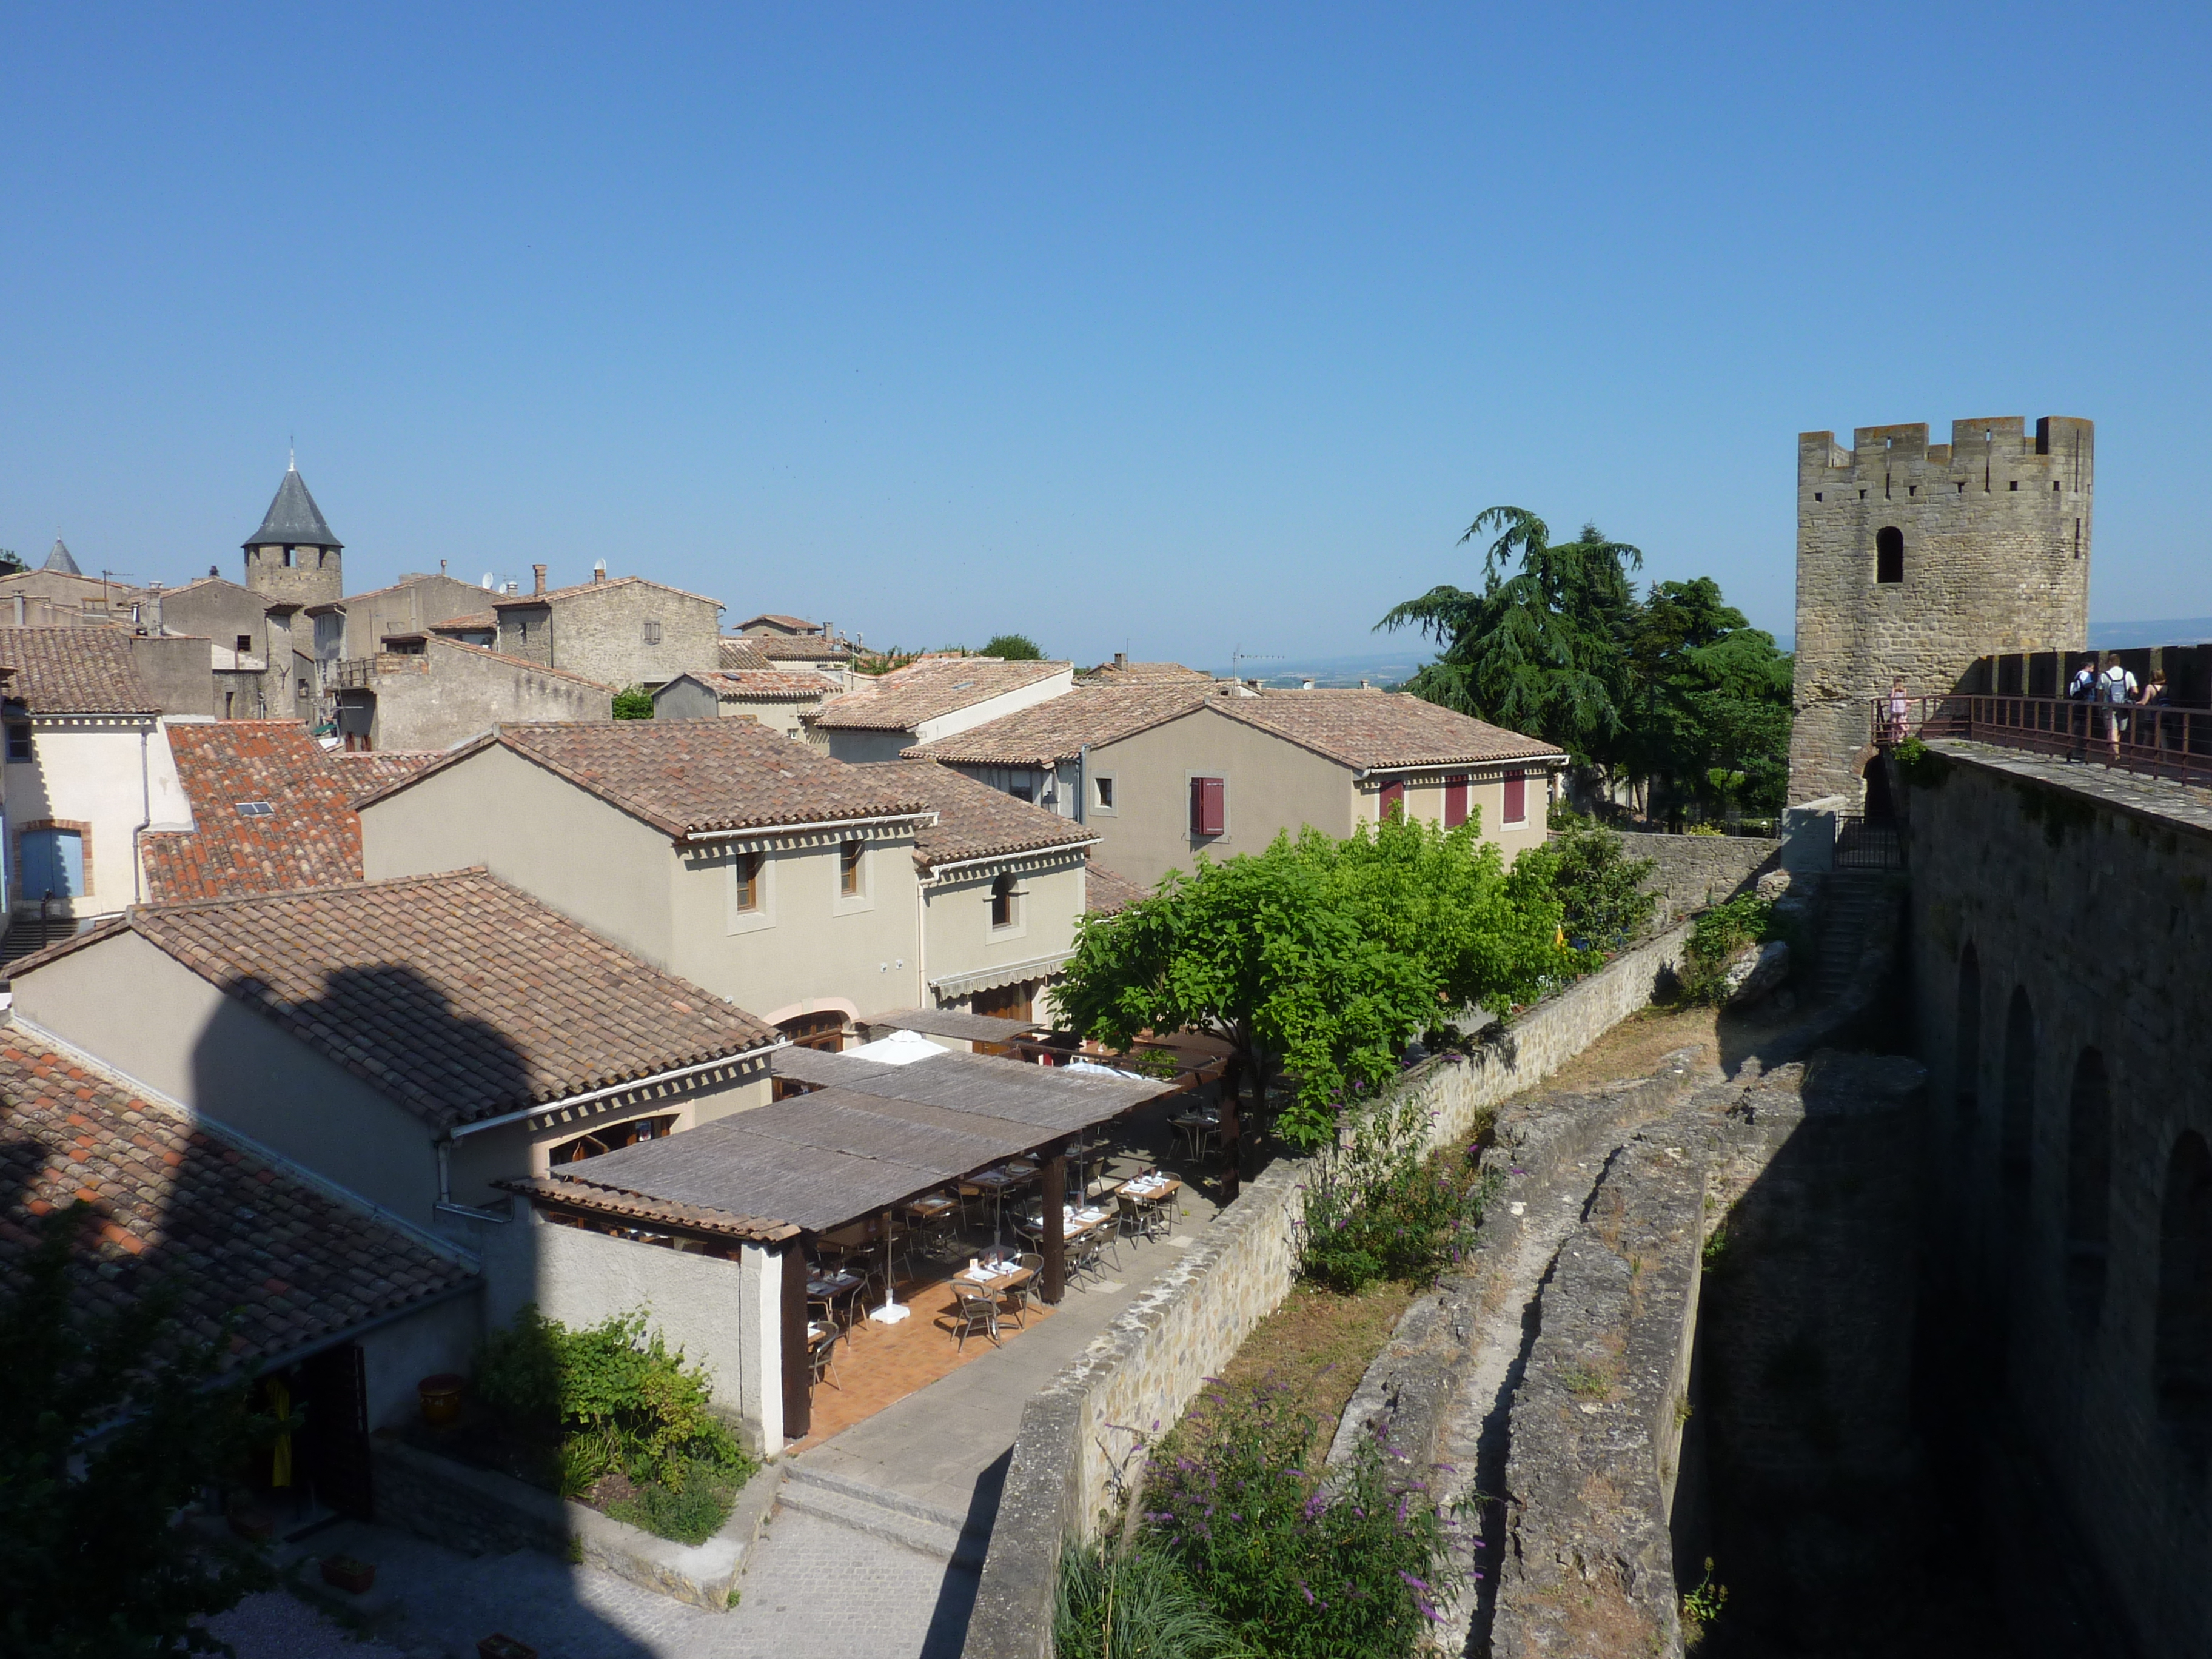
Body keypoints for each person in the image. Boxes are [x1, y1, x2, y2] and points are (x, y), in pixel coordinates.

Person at [2098, 651, 2139, 757]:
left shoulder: (2104, 676)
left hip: (2108, 705)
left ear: (2110, 662)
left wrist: (2100, 704)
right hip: (2123, 705)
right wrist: (2129, 699)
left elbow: (2100, 692)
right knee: (2120, 729)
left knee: (2112, 729)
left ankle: (2114, 753)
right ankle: (2115, 751)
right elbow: (2135, 691)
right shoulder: (2128, 674)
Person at [1885, 675, 1909, 743]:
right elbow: (1905, 699)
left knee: (1894, 721)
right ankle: (1902, 734)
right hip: (1901, 706)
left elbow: (1892, 697)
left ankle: (1894, 736)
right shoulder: (1904, 689)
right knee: (1900, 721)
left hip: (1895, 706)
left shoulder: (1894, 689)